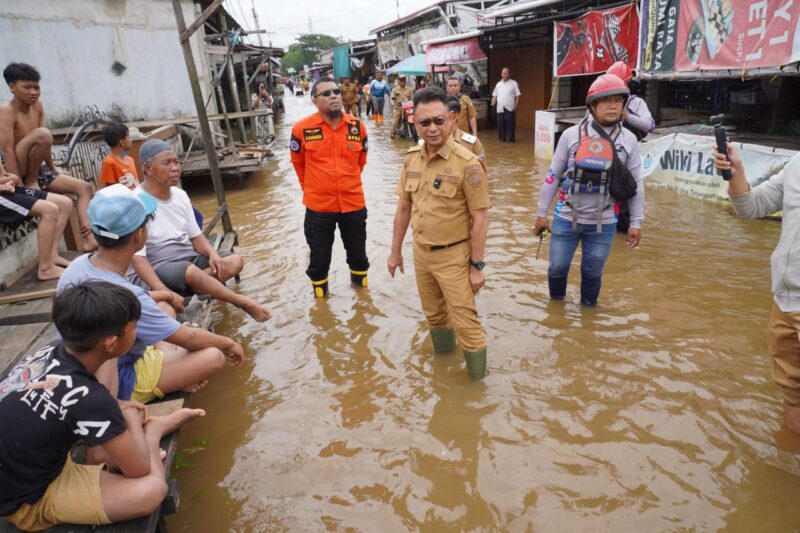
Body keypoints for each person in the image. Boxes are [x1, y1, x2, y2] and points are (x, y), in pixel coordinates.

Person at [0, 281, 206, 531]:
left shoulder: (50, 350)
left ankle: (122, 439)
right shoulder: (91, 399)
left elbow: (66, 399)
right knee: (152, 490)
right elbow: (138, 470)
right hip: (27, 499)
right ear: (110, 342)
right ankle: (152, 433)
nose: (137, 332)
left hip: (20, 461)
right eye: (134, 328)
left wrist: (114, 405)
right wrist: (130, 417)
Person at [58, 183, 245, 405]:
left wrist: (164, 295)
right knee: (213, 356)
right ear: (140, 234)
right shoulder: (126, 294)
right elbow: (190, 339)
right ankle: (170, 374)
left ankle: (170, 366)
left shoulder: (77, 265)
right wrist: (228, 343)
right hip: (118, 378)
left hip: (82, 362)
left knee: (165, 308)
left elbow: (141, 305)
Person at [388, 87, 491, 380]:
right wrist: (395, 252)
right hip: (421, 254)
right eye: (425, 123)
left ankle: (477, 391)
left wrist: (477, 266)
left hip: (454, 256)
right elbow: (404, 208)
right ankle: (443, 372)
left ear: (451, 120)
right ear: (414, 123)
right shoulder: (411, 159)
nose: (432, 128)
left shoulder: (468, 163)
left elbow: (481, 216)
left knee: (467, 324)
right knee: (434, 316)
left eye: (439, 121)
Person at [129, 139, 271, 322]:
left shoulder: (179, 195)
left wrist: (212, 254)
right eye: (166, 163)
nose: (174, 168)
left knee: (234, 261)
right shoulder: (136, 202)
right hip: (159, 265)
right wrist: (161, 290)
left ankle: (189, 289)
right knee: (190, 271)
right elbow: (137, 258)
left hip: (186, 258)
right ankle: (241, 301)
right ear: (148, 168)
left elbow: (196, 237)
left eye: (176, 162)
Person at [533, 74, 643, 306]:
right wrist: (541, 214)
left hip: (604, 223)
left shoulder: (629, 140)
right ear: (592, 106)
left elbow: (636, 183)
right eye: (606, 100)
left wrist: (636, 222)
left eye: (617, 100)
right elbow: (553, 175)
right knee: (557, 267)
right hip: (565, 218)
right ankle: (556, 309)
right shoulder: (570, 136)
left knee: (593, 273)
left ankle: (588, 315)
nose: (613, 105)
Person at [712, 146, 800, 435]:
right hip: (785, 300)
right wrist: (736, 173)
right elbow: (751, 207)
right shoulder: (797, 163)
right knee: (793, 397)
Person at [0, 62, 97, 251]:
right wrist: (18, 183)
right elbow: (7, 150)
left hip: (37, 170)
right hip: (17, 169)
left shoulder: (38, 106)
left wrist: (53, 169)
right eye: (27, 87)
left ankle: (88, 237)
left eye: (36, 87)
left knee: (85, 188)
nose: (34, 92)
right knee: (43, 133)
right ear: (12, 86)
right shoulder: (6, 111)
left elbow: (46, 144)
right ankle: (30, 181)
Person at [290, 77, 369, 298]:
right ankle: (321, 304)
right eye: (326, 93)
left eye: (336, 91)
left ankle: (362, 298)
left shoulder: (357, 126)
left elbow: (361, 160)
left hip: (353, 204)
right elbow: (298, 164)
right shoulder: (302, 129)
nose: (333, 95)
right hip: (318, 208)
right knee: (319, 259)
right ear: (315, 101)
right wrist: (315, 189)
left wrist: (346, 184)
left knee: (359, 256)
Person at [0, 159, 72, 279]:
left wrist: (10, 181)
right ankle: (46, 268)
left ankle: (52, 256)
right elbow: (8, 177)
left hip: (6, 190)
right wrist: (11, 179)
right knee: (50, 209)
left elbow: (5, 176)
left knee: (64, 203)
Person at [606, 61, 655, 141]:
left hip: (631, 147)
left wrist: (628, 116)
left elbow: (650, 126)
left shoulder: (637, 102)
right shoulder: (601, 102)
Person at [446, 96, 486, 170]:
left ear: (454, 117)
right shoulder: (427, 144)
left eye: (439, 118)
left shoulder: (473, 143)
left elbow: (481, 170)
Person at [98, 121, 139, 190]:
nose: (131, 140)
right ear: (122, 142)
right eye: (129, 138)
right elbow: (103, 189)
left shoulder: (130, 160)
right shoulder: (109, 162)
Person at [491, 67, 521, 143]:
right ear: (501, 74)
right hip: (500, 108)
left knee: (510, 126)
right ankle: (502, 140)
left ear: (509, 74)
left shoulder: (514, 83)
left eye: (507, 73)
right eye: (504, 73)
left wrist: (516, 106)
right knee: (500, 126)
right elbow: (495, 95)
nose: (505, 75)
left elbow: (517, 96)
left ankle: (511, 140)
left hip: (509, 108)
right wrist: (493, 101)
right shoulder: (498, 84)